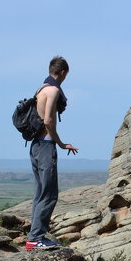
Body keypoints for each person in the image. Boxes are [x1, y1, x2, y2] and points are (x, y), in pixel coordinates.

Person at [26, 55, 79, 251]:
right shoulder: (53, 90)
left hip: (35, 146)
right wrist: (61, 143)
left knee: (40, 193)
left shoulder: (40, 89)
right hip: (46, 146)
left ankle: (34, 237)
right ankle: (35, 238)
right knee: (49, 194)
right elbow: (48, 120)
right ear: (63, 72)